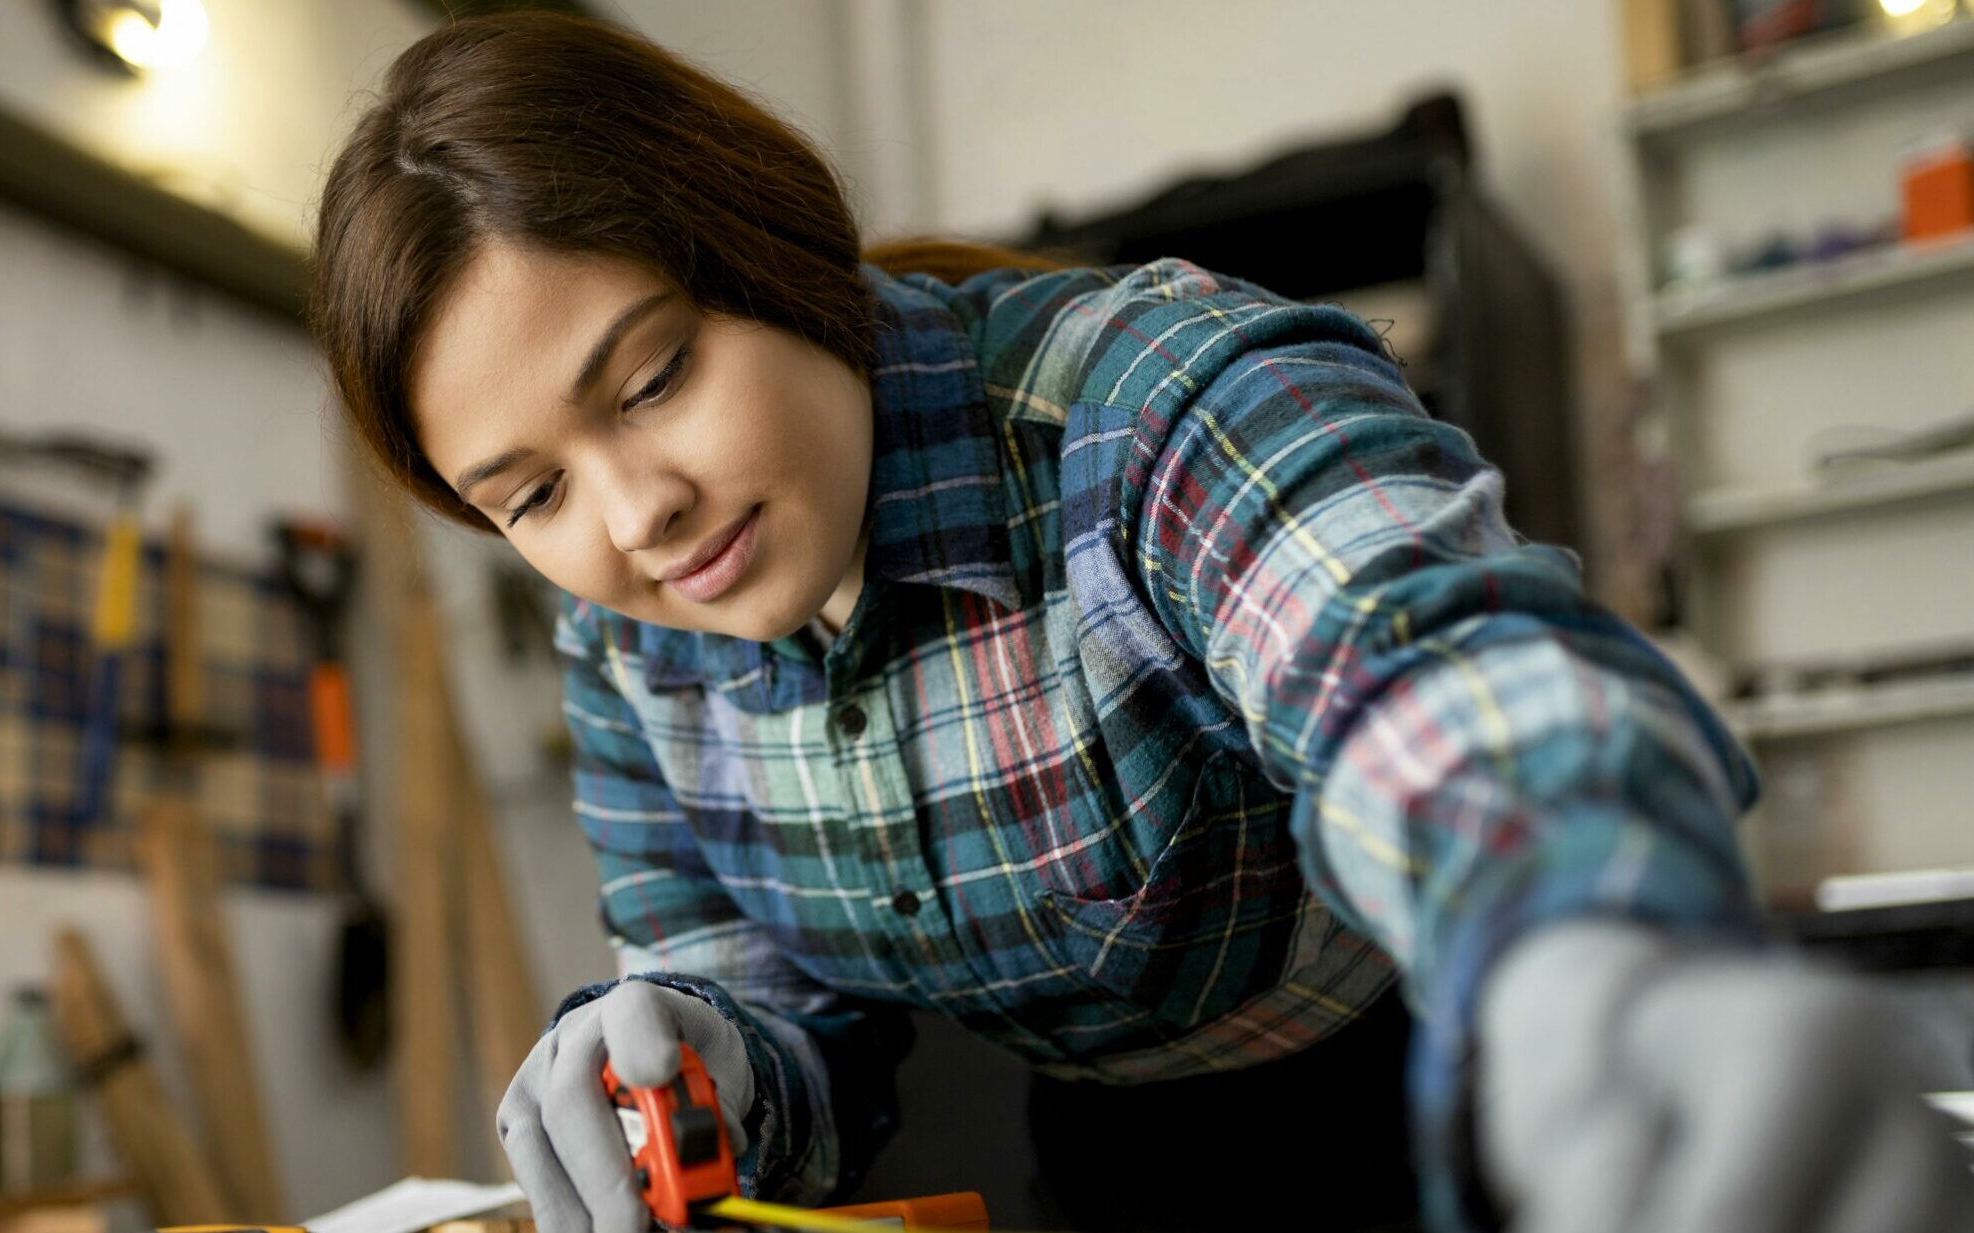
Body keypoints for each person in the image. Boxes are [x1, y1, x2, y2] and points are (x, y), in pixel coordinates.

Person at [307, 13, 1974, 1233]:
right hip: (1105, 1160)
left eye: (655, 375)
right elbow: (790, 1018)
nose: (634, 514)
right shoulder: (629, 644)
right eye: (528, 494)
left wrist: (1583, 955)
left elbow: (1422, 670)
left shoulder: (1143, 401)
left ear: (774, 247)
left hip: (1448, 1075)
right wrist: (705, 1064)